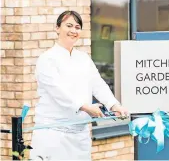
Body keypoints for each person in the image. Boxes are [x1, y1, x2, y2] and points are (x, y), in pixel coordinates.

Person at [30, 10, 128, 160]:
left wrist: (114, 105)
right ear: (57, 28)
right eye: (69, 25)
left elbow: (98, 84)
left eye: (77, 27)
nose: (73, 30)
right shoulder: (47, 59)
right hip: (52, 135)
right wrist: (85, 106)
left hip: (80, 136)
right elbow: (57, 91)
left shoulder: (83, 58)